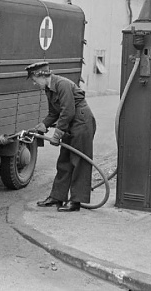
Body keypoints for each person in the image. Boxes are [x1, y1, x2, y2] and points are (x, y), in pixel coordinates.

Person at [25, 61, 96, 212]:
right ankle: (57, 197)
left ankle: (76, 202)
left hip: (82, 123)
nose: (34, 83)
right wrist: (43, 125)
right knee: (64, 161)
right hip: (71, 123)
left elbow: (68, 112)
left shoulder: (62, 85)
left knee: (79, 162)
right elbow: (54, 113)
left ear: (42, 76)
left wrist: (57, 134)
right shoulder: (49, 89)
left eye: (34, 79)